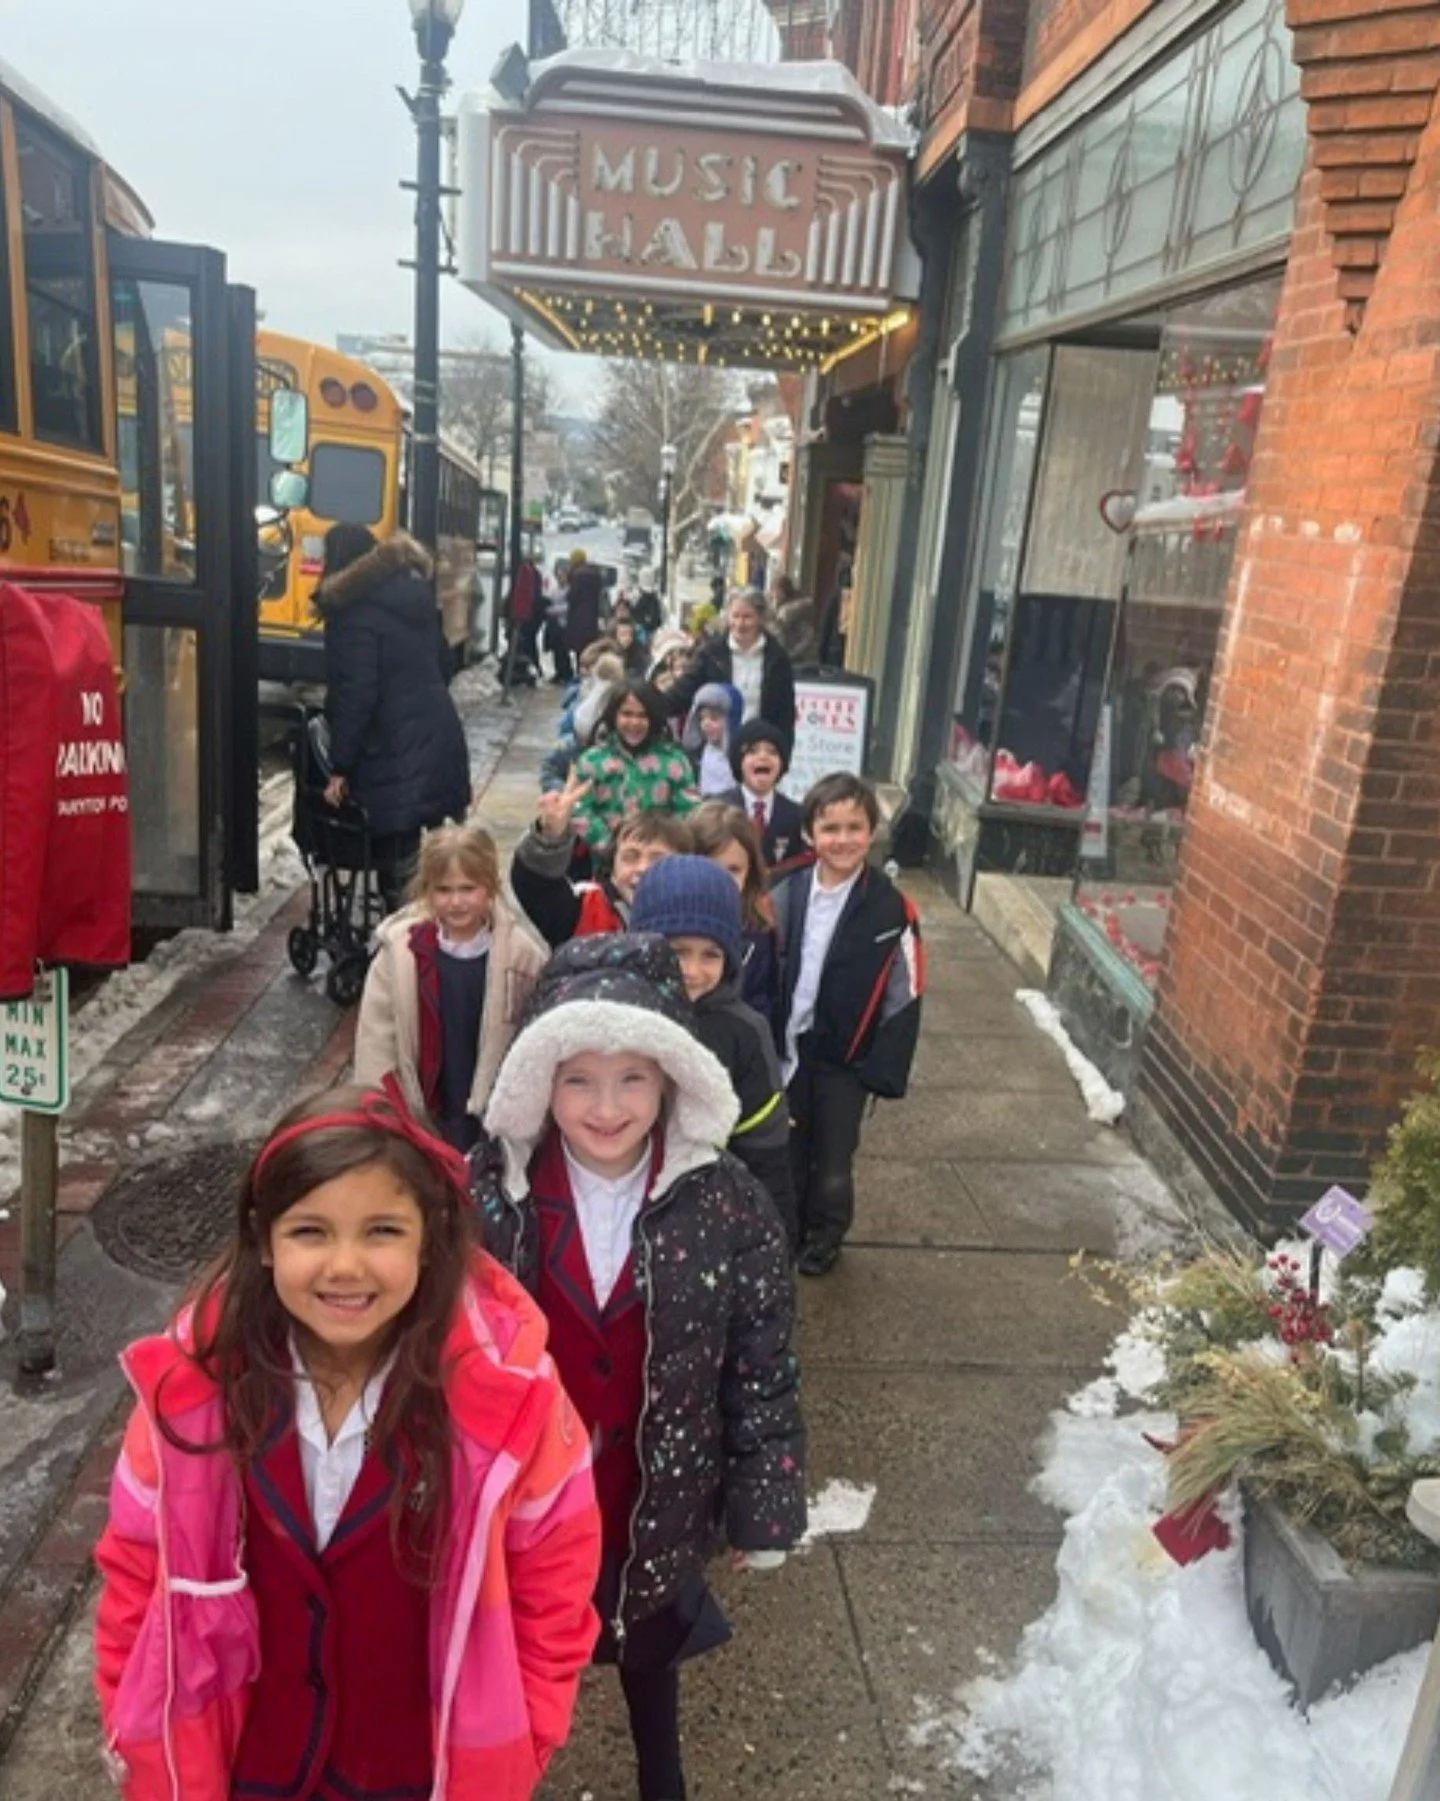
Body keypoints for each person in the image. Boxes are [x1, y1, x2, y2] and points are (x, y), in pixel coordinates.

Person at [95, 1082, 601, 1801]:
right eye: (311, 1231)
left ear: (430, 1240)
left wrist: (528, 1737)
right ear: (263, 1241)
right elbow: (136, 1568)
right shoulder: (196, 1394)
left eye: (382, 1231)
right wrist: (130, 1715)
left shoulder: (508, 1401)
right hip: (244, 1768)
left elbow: (555, 1576)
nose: (345, 1266)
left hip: (414, 1771)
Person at [470, 935, 805, 1801]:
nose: (607, 1105)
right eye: (579, 1078)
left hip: (657, 1483)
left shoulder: (725, 1199)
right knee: (523, 1641)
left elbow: (761, 1356)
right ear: (543, 1081)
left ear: (670, 1078)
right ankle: (508, 1767)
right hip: (529, 1494)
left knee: (646, 1635)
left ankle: (663, 1773)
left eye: (632, 1078)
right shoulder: (493, 1194)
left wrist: (761, 1497)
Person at [773, 773, 925, 1277]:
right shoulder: (785, 888)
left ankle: (826, 1231)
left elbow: (907, 991)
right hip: (787, 1045)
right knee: (786, 1145)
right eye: (830, 827)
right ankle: (786, 1227)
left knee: (834, 1156)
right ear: (809, 833)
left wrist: (882, 1069)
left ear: (872, 831)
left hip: (845, 1055)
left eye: (854, 827)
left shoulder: (890, 906)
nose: (842, 839)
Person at [630, 856, 797, 1244]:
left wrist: (775, 1235)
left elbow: (765, 1145)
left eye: (711, 955)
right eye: (677, 950)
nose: (692, 969)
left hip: (707, 1214)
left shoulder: (745, 1032)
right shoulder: (618, 1016)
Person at [354, 824, 550, 1152]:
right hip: (424, 1105)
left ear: (490, 887)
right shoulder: (402, 955)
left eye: (468, 888)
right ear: (426, 891)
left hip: (490, 1113)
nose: (456, 901)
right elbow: (377, 1037)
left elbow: (534, 1039)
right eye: (444, 890)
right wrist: (379, 1109)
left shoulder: (522, 957)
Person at [314, 525, 470, 911]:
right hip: (438, 736)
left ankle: (407, 938)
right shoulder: (416, 599)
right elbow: (444, 663)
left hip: (393, 746)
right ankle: (432, 925)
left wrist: (341, 766)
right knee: (426, 844)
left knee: (395, 850)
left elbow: (356, 695)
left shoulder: (353, 614)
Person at [512, 785, 693, 947]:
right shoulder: (586, 906)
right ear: (613, 863)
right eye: (630, 857)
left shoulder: (696, 917)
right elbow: (535, 886)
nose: (642, 868)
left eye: (658, 860)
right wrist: (550, 837)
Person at [686, 800, 782, 1037]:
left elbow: (761, 1002)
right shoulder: (665, 926)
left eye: (733, 870)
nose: (720, 880)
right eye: (709, 866)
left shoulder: (758, 931)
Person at [570, 679, 698, 856]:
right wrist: (610, 845)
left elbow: (689, 811)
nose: (634, 723)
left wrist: (661, 846)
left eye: (642, 716)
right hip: (606, 860)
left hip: (661, 858)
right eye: (627, 714)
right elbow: (580, 810)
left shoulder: (674, 761)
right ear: (613, 716)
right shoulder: (592, 761)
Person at [666, 589, 796, 738]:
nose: (740, 624)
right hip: (717, 744)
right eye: (735, 616)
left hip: (759, 746)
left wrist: (782, 750)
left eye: (747, 617)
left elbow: (786, 714)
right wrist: (649, 705)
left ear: (760, 618)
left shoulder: (777, 658)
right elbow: (682, 692)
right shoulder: (710, 654)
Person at [727, 718, 805, 868]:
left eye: (772, 751)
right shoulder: (718, 807)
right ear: (739, 762)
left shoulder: (796, 815)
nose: (763, 756)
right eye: (752, 751)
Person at [681, 679, 744, 798]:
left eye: (714, 718)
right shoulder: (704, 751)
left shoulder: (739, 755)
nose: (706, 724)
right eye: (702, 718)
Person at [563, 548, 604, 664]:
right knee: (590, 650)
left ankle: (580, 672)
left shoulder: (577, 575)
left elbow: (572, 597)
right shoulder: (595, 574)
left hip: (578, 620)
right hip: (592, 620)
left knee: (579, 651)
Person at [771, 574, 819, 665]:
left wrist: (792, 654)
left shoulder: (794, 612)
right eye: (773, 590)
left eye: (777, 590)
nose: (774, 594)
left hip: (796, 661)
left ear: (784, 591)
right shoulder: (776, 609)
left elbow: (808, 635)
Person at [544, 557, 573, 685]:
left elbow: (568, 607)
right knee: (556, 649)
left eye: (562, 576)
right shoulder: (554, 589)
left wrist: (552, 610)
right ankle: (558, 672)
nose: (560, 578)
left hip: (564, 624)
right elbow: (549, 599)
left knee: (563, 650)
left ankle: (566, 673)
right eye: (558, 575)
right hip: (554, 624)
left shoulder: (569, 590)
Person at [632, 570, 663, 639]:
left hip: (643, 627)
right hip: (650, 627)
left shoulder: (636, 593)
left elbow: (634, 610)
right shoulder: (656, 595)